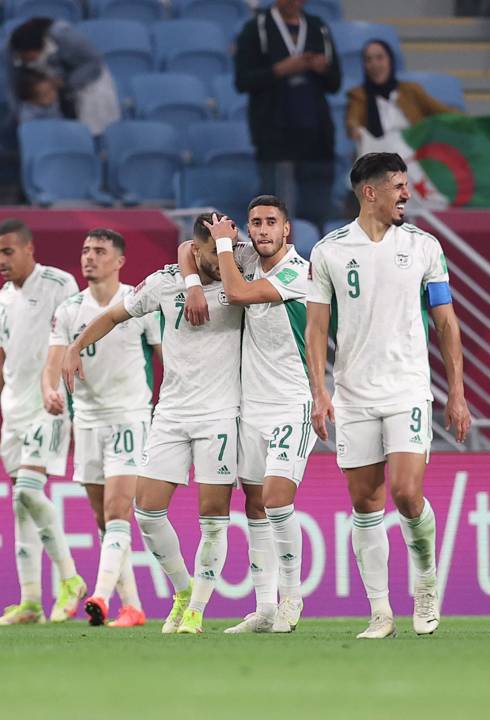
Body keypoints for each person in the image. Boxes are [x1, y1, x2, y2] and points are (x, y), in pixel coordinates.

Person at [305, 152, 471, 639]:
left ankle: (425, 583)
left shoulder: (424, 247)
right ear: (369, 191)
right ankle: (380, 612)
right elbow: (317, 328)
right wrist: (321, 391)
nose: (407, 194)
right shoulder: (329, 251)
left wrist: (456, 393)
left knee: (406, 492)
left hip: (407, 390)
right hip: (354, 394)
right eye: (399, 186)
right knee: (364, 503)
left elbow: (445, 320)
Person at [62, 215, 243, 635]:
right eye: (211, 256)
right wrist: (75, 346)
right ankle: (183, 590)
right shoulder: (164, 282)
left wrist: (214, 262)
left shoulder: (240, 273)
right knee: (147, 512)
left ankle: (196, 611)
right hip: (172, 414)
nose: (221, 263)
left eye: (224, 254)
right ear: (194, 251)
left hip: (220, 414)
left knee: (213, 516)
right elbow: (111, 316)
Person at [179, 196, 317, 634]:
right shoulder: (244, 258)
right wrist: (193, 285)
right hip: (251, 406)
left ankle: (292, 597)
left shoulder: (300, 271)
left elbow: (238, 294)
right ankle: (265, 608)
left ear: (287, 230)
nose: (261, 230)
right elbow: (188, 246)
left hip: (293, 403)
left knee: (277, 498)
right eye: (254, 222)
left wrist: (224, 246)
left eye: (270, 222)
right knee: (255, 506)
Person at [44, 228, 162, 627]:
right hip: (88, 420)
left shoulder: (138, 303)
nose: (89, 257)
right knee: (104, 520)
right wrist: (50, 390)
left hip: (130, 415)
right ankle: (133, 606)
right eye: (85, 250)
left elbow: (167, 356)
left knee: (117, 510)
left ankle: (99, 595)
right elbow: (55, 360)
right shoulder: (69, 310)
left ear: (120, 261)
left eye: (99, 251)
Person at [0, 218, 86, 625]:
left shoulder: (59, 284)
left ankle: (70, 578)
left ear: (29, 249)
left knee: (27, 494)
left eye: (7, 252)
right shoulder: (3, 297)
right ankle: (31, 601)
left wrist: (58, 389)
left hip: (48, 406)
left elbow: (70, 340)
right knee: (21, 506)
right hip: (13, 411)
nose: (2, 261)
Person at [234, 0, 341, 228]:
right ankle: (271, 261)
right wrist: (280, 70)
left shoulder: (317, 26)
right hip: (274, 133)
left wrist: (323, 68)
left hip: (315, 134)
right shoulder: (257, 28)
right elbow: (242, 80)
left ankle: (316, 258)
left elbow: (335, 82)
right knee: (272, 211)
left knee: (316, 212)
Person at [8, 18, 121, 136]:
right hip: (51, 85)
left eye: (29, 58)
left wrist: (67, 82)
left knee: (92, 129)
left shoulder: (67, 38)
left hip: (89, 79)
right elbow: (12, 84)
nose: (26, 62)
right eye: (23, 59)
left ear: (40, 48)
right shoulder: (12, 48)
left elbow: (94, 63)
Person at [346, 39, 455, 146]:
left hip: (414, 153)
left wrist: (467, 121)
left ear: (390, 61)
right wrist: (354, 129)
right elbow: (353, 119)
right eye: (368, 60)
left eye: (380, 58)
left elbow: (441, 111)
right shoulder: (358, 95)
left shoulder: (411, 90)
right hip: (379, 158)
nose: (374, 65)